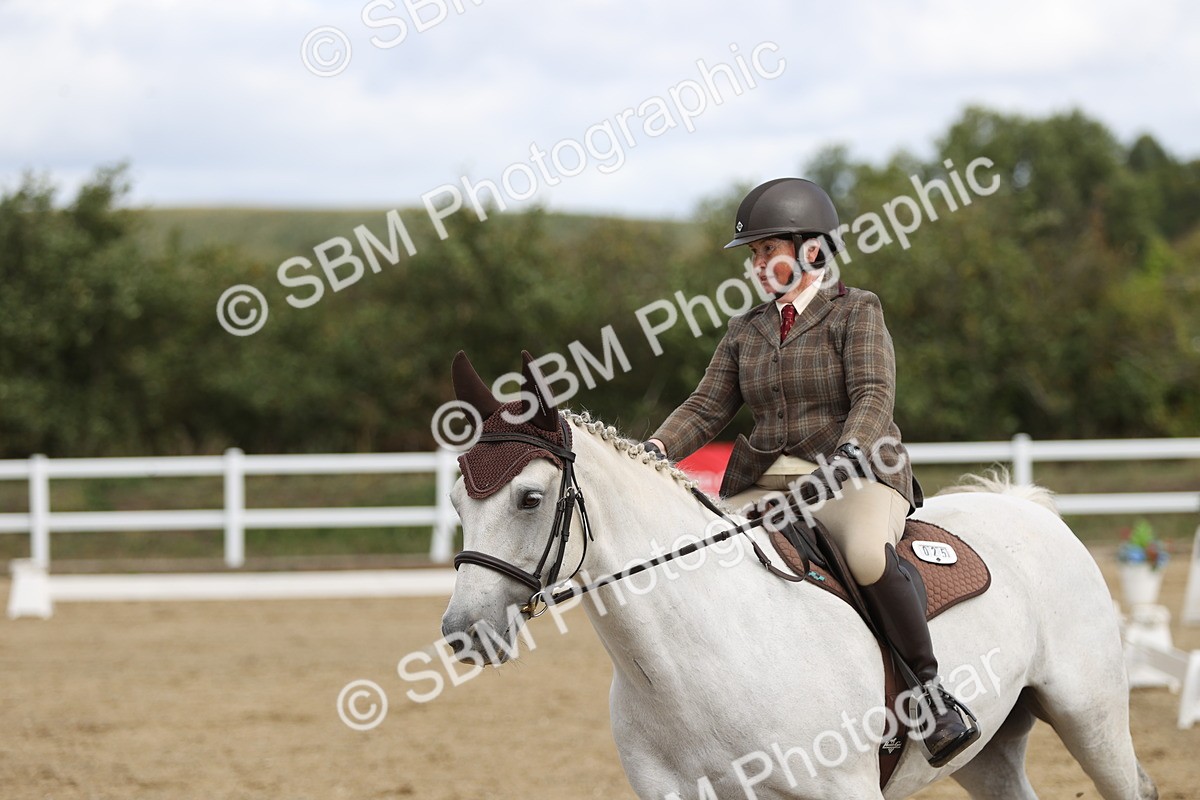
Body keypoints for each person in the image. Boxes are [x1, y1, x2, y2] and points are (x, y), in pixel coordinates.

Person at [644, 177, 979, 767]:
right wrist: (652, 450)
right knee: (709, 556)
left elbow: (874, 395)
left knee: (869, 554)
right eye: (753, 254)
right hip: (771, 479)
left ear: (811, 250)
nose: (756, 265)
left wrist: (851, 450)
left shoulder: (857, 312)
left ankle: (929, 694)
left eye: (766, 250)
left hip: (858, 471)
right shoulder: (745, 330)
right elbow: (706, 407)